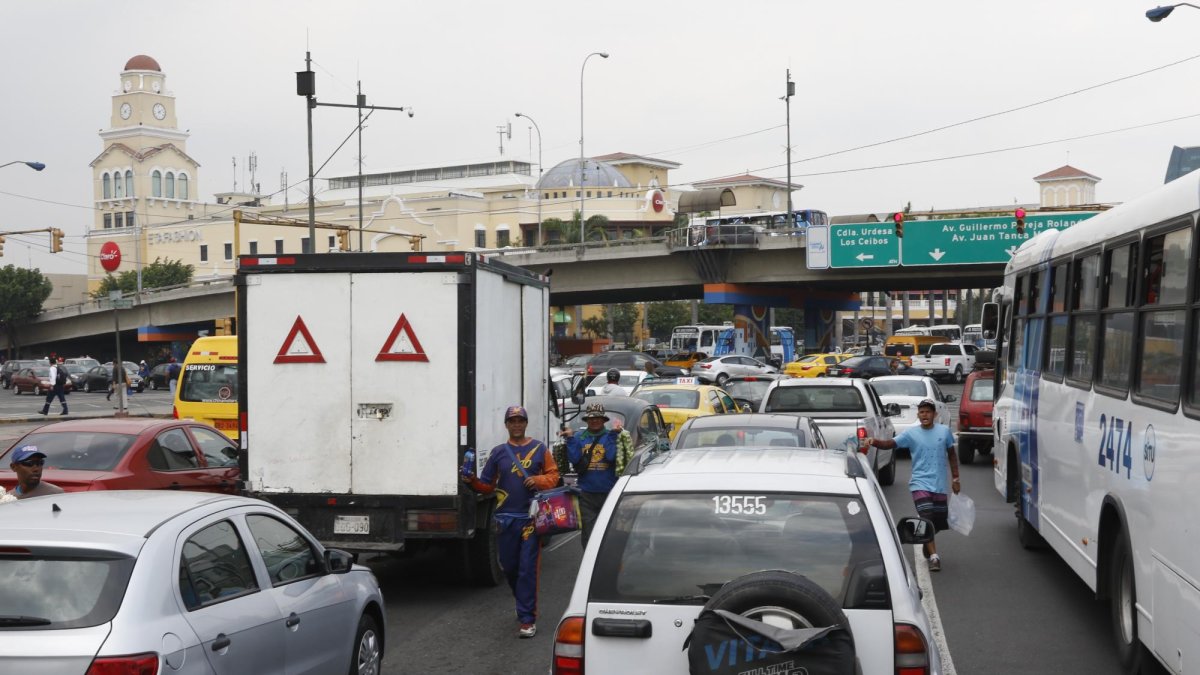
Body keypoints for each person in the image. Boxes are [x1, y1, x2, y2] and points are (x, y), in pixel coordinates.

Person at [462, 405, 559, 639]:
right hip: (505, 520)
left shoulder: (540, 449)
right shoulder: (498, 452)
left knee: (527, 569)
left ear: (526, 423)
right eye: (512, 421)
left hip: (530, 520)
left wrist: (538, 480)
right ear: (506, 425)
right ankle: (522, 601)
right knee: (509, 567)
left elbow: (554, 476)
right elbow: (487, 486)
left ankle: (527, 619)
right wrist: (471, 481)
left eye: (520, 420)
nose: (516, 425)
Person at [865, 398, 959, 572]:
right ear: (918, 415)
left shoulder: (944, 431)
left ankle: (926, 542)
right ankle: (934, 557)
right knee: (927, 517)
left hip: (939, 485)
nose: (925, 415)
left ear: (935, 414)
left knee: (939, 522)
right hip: (919, 483)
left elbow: (952, 455)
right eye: (922, 412)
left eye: (928, 412)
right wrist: (874, 441)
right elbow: (890, 444)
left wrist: (956, 479)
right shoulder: (911, 434)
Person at [560, 402, 634, 548]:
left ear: (603, 420)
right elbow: (574, 459)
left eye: (598, 418)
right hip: (586, 494)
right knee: (589, 533)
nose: (594, 420)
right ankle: (590, 560)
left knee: (610, 532)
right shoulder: (579, 437)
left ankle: (607, 559)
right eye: (591, 418)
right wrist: (570, 439)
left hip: (609, 492)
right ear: (587, 420)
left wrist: (613, 436)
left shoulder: (612, 435)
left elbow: (611, 457)